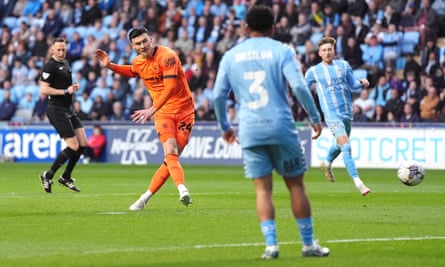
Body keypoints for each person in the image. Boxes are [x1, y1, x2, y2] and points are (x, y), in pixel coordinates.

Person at [213, 5, 329, 260]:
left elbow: (218, 96)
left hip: (250, 130)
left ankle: (271, 246)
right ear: (273, 27)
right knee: (296, 186)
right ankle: (308, 245)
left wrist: (225, 127)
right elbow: (298, 86)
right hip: (280, 126)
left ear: (245, 27)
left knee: (262, 190)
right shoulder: (281, 50)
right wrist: (313, 117)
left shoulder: (231, 55)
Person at [95, 26, 194, 210]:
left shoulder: (168, 56)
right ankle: (182, 189)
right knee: (170, 152)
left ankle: (144, 198)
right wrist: (110, 65)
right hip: (163, 113)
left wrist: (151, 109)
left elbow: (170, 87)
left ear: (151, 39)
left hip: (184, 112)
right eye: (138, 44)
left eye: (144, 41)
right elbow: (132, 71)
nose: (142, 46)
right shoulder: (139, 62)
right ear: (133, 46)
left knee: (171, 159)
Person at [305, 36, 371, 196]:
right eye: (324, 50)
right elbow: (303, 90)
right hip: (331, 114)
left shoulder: (343, 65)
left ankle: (327, 163)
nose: (327, 52)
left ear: (334, 51)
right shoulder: (313, 71)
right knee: (346, 146)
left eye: (330, 49)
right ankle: (359, 183)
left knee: (341, 144)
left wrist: (361, 82)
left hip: (347, 112)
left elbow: (353, 85)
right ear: (319, 53)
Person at [38, 37, 89, 193]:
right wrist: (65, 91)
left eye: (63, 49)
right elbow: (44, 90)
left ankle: (66, 177)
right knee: (73, 146)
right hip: (56, 109)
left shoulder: (66, 63)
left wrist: (72, 87)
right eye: (58, 49)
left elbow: (65, 86)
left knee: (83, 144)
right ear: (53, 50)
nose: (61, 52)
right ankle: (48, 174)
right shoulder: (49, 66)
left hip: (68, 108)